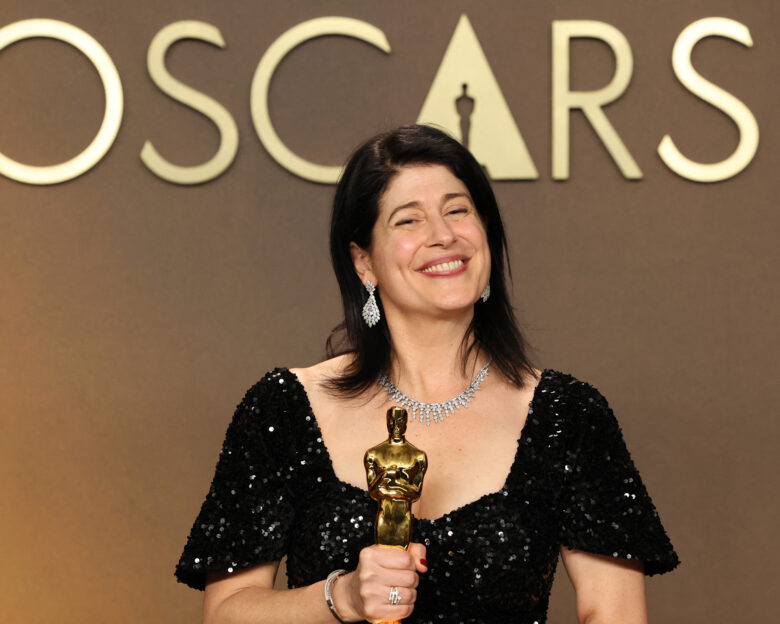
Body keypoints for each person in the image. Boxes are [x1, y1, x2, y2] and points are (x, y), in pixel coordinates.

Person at [175, 124, 679, 623]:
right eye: (408, 221)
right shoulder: (284, 407)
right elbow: (228, 613)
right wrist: (342, 597)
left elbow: (613, 614)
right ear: (363, 262)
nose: (442, 236)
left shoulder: (567, 415)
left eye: (458, 211)